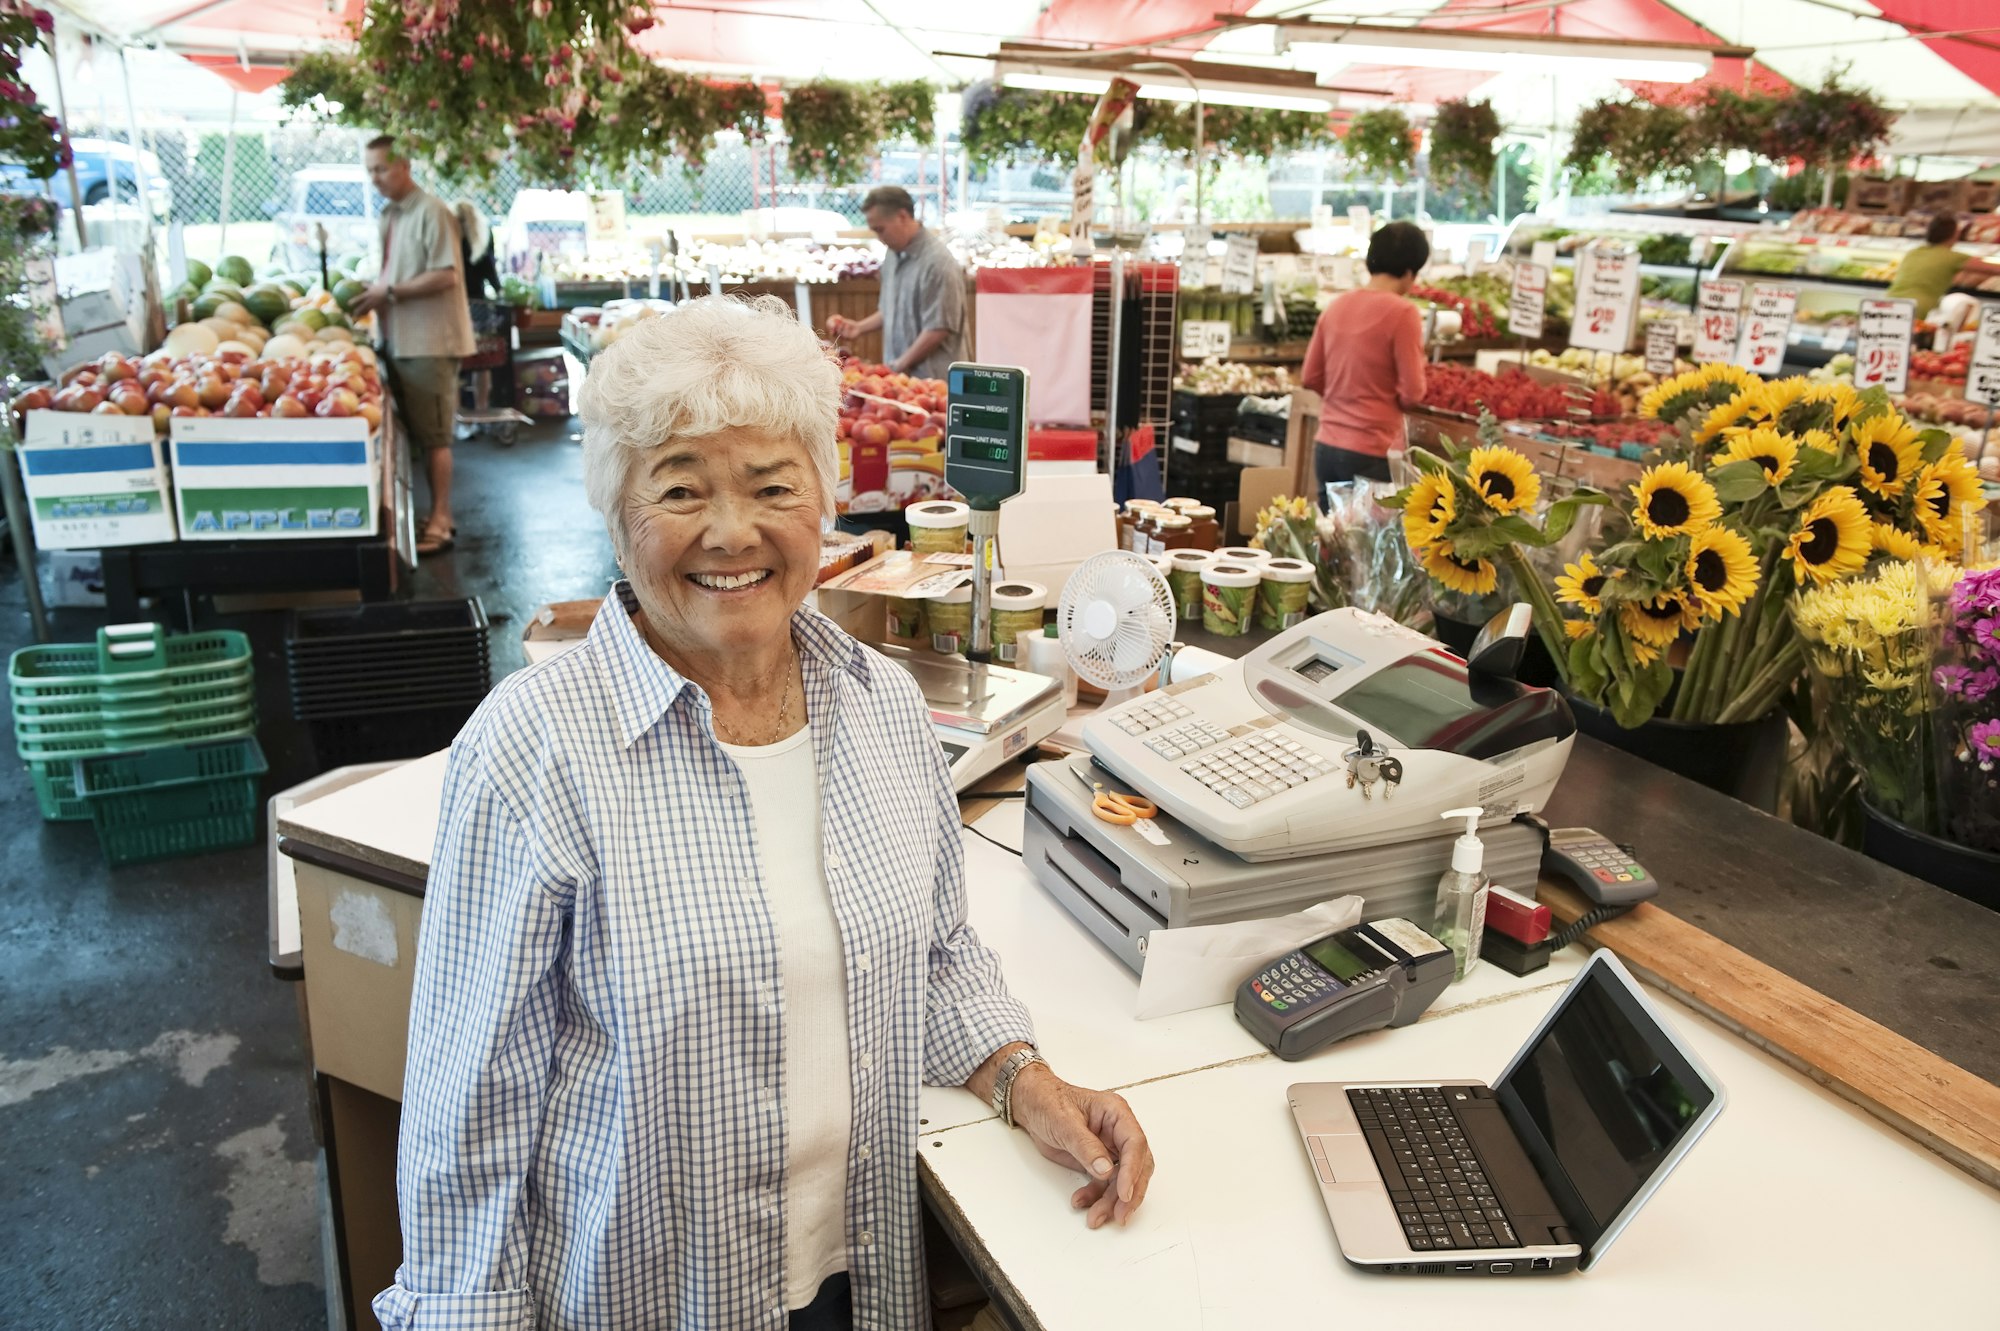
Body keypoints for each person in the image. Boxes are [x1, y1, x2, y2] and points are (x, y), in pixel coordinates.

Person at [375, 296, 1153, 1331]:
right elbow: (469, 1112)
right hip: (649, 1293)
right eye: (681, 486)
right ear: (616, 511)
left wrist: (1027, 1079)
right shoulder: (534, 754)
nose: (731, 530)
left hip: (855, 1269)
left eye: (771, 485)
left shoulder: (877, 705)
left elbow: (933, 954)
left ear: (823, 503)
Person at [350, 134, 475, 558]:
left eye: (381, 169)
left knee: (436, 436)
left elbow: (447, 275)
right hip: (398, 339)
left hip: (429, 343)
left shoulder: (432, 212)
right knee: (421, 436)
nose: (375, 178)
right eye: (369, 170)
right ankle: (434, 514)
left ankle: (442, 519)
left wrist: (389, 293)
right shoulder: (391, 214)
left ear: (404, 166)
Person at [1299, 221, 1431, 496]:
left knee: (1331, 534)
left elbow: (1310, 377)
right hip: (1372, 450)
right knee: (1368, 538)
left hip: (1327, 447)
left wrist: (1344, 396)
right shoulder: (1403, 313)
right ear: (1410, 272)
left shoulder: (1336, 306)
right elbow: (1412, 393)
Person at [824, 186, 966, 378]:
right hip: (900, 378)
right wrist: (860, 327)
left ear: (902, 216)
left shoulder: (938, 263)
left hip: (935, 381)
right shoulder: (892, 254)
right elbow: (891, 309)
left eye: (881, 230)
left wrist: (900, 364)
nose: (880, 238)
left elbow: (939, 328)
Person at [456, 200, 504, 301]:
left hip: (466, 296)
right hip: (474, 298)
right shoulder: (482, 240)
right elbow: (490, 268)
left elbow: (489, 267)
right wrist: (499, 291)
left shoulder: (480, 240)